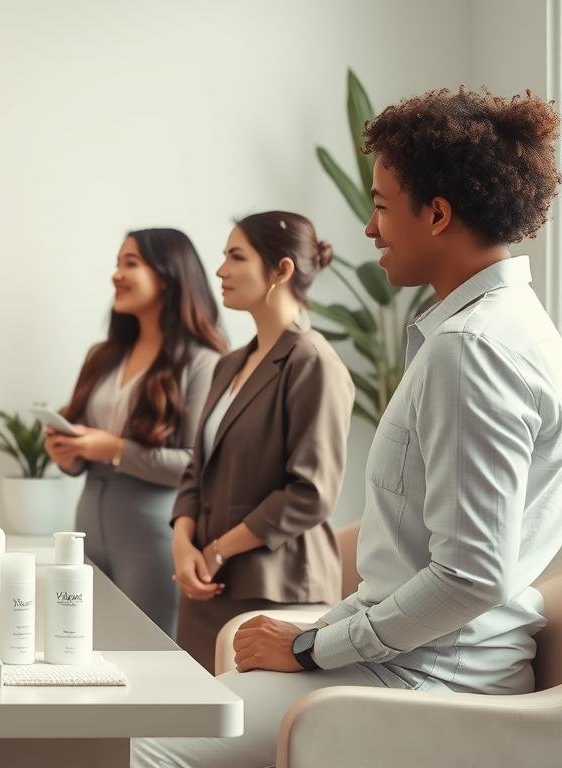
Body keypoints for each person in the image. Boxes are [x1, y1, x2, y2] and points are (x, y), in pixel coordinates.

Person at [135, 87, 562, 767]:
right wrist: (322, 630)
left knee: (137, 750)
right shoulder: (509, 327)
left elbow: (471, 575)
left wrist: (310, 646)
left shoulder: (472, 349)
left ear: (439, 214)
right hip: (418, 659)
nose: (368, 228)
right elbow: (419, 568)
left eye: (383, 207)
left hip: (431, 681)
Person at [169, 211, 353, 671]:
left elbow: (310, 494)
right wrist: (183, 543)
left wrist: (215, 551)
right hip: (206, 585)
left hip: (273, 593)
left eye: (236, 256)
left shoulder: (312, 362)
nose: (220, 271)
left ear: (282, 270)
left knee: (244, 738)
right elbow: (198, 467)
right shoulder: (228, 365)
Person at [45, 228, 226, 636]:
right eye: (117, 263)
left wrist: (113, 448)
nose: (116, 275)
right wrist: (69, 454)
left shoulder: (203, 362)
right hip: (86, 530)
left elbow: (196, 465)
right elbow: (85, 450)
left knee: (147, 657)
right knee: (82, 651)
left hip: (152, 537)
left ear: (167, 275)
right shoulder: (102, 356)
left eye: (131, 263)